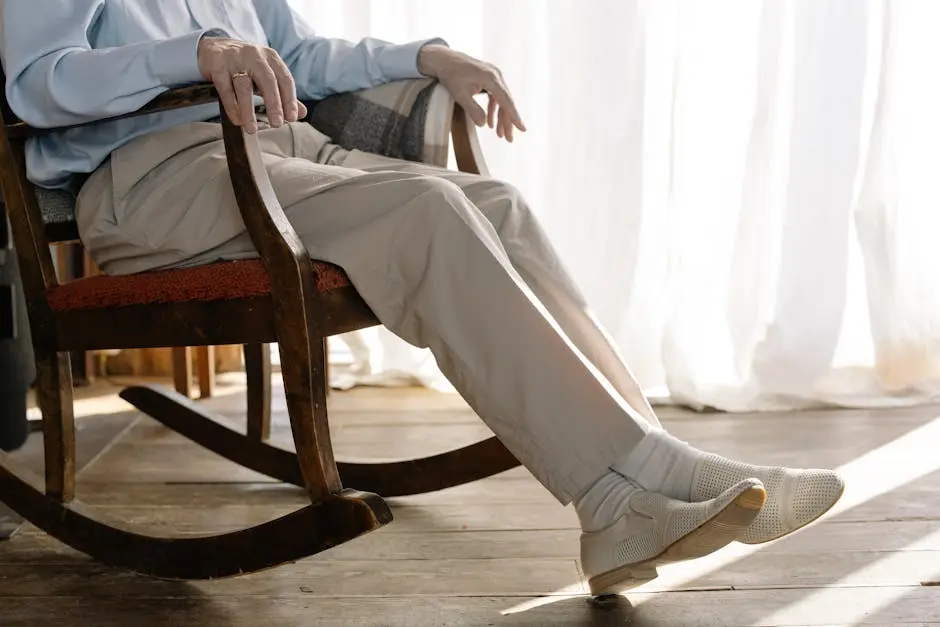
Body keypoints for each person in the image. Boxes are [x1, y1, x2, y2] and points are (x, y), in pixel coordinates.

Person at [0, 0, 845, 596]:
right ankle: (632, 484)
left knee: (498, 204)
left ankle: (635, 476)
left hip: (279, 150)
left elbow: (304, 54)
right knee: (428, 210)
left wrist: (427, 57)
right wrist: (192, 54)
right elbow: (35, 83)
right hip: (152, 182)